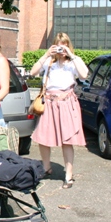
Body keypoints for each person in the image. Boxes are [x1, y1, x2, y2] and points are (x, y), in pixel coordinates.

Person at [30, 32, 88, 189]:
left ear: (69, 45)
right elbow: (32, 72)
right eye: (58, 44)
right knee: (42, 137)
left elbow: (84, 74)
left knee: (67, 140)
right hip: (49, 102)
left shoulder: (73, 63)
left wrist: (72, 55)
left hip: (67, 102)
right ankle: (46, 167)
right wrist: (46, 53)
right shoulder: (49, 61)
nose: (62, 48)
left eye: (65, 44)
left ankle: (68, 174)